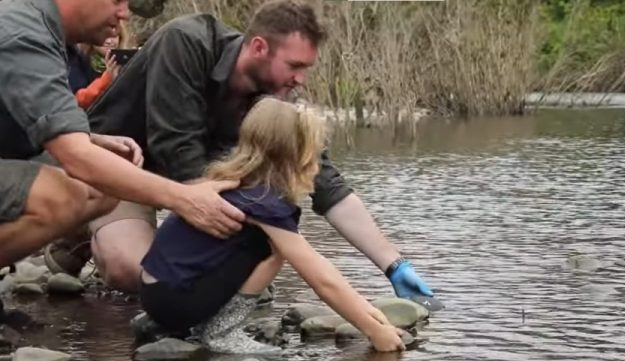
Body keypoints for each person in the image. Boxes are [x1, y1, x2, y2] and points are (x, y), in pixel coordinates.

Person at [70, 0, 442, 311]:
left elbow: (322, 180)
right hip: (122, 167)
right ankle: (78, 233)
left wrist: (393, 265)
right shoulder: (186, 42)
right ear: (259, 47)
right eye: (295, 66)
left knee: (240, 243)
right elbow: (178, 149)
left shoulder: (276, 94)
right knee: (128, 269)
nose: (301, 80)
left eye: (306, 69)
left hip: (197, 181)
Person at [140, 97, 405, 354]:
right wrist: (373, 331)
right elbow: (322, 279)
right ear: (296, 154)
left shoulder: (232, 180)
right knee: (276, 250)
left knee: (278, 243)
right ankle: (221, 332)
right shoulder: (264, 202)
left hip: (155, 290)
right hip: (174, 301)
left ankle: (195, 323)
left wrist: (367, 309)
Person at [0, 0, 245, 270]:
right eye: (116, 0)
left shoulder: (50, 35)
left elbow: (21, 119)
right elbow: (75, 157)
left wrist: (90, 139)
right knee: (60, 196)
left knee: (103, 184)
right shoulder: (23, 33)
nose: (125, 14)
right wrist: (185, 198)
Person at [73, 22, 133, 109]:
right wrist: (106, 80)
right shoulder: (81, 61)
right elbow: (78, 101)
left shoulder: (127, 63)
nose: (109, 41)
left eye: (114, 36)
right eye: (103, 36)